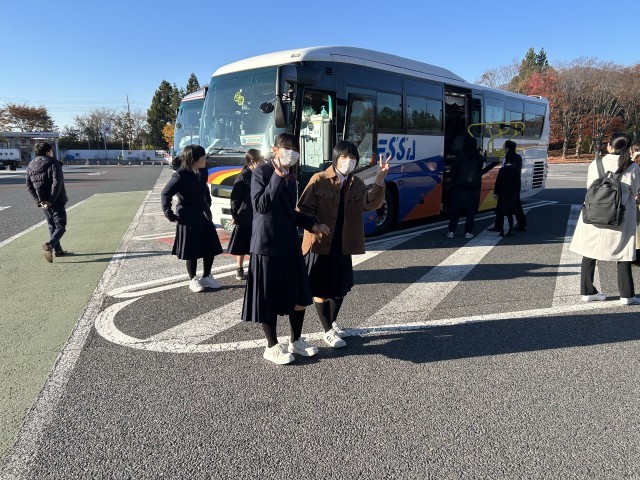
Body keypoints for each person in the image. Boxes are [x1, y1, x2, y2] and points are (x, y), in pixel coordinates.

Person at [241, 133, 330, 365]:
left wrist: (313, 224)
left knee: (299, 294)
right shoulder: (261, 172)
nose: (291, 152)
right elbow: (261, 205)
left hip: (289, 244)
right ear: (274, 150)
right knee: (268, 297)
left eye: (294, 148)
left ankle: (296, 340)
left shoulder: (291, 177)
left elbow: (290, 212)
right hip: (266, 246)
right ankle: (271, 346)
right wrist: (278, 176)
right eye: (286, 147)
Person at [297, 141, 389, 348]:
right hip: (320, 243)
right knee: (321, 289)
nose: (349, 161)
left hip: (344, 243)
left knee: (340, 288)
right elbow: (302, 208)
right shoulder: (319, 179)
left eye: (353, 158)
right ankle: (327, 331)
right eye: (345, 157)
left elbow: (370, 203)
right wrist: (315, 225)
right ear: (335, 158)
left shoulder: (356, 182)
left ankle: (331, 323)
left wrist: (379, 179)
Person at [569, 133, 640, 305]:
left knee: (589, 252)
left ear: (609, 146)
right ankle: (627, 295)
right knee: (623, 254)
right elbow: (635, 191)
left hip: (594, 212)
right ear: (628, 149)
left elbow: (589, 186)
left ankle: (587, 292)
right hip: (620, 215)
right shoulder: (632, 167)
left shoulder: (596, 163)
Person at [161, 144, 223, 292]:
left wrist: (208, 202)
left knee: (210, 247)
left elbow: (204, 189)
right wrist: (169, 214)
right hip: (188, 217)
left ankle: (206, 276)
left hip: (204, 215)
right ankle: (193, 279)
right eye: (203, 157)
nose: (205, 159)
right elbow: (165, 194)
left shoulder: (203, 171)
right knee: (192, 250)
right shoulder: (180, 175)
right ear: (194, 159)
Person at [26, 142, 69, 263]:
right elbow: (57, 183)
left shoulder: (31, 165)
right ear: (48, 151)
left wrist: (40, 201)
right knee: (61, 226)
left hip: (43, 202)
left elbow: (29, 185)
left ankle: (58, 251)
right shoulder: (53, 163)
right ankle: (50, 245)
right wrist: (51, 200)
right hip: (56, 200)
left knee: (52, 225)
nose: (52, 152)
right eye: (51, 150)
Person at [228, 149, 263, 281]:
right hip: (244, 215)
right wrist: (234, 216)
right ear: (253, 162)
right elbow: (234, 200)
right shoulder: (243, 176)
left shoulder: (259, 173)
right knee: (241, 245)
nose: (263, 162)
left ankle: (254, 269)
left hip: (256, 215)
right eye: (261, 160)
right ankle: (239, 269)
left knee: (254, 244)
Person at [447, 136, 485, 239]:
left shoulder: (459, 156)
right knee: (471, 212)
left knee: (455, 211)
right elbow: (480, 170)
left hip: (459, 188)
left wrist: (453, 181)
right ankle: (468, 232)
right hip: (473, 189)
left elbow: (454, 171)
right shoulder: (479, 157)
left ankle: (451, 231)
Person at [488, 140, 526, 232]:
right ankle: (522, 224)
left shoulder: (507, 157)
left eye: (504, 146)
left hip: (505, 185)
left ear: (507, 148)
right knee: (517, 204)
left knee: (501, 205)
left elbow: (502, 171)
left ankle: (498, 226)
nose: (503, 148)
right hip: (515, 185)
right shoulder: (518, 157)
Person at [492, 154, 519, 237]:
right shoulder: (516, 170)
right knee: (510, 213)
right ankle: (510, 230)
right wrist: (516, 193)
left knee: (501, 213)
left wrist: (495, 192)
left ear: (506, 160)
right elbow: (518, 184)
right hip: (512, 194)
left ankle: (502, 231)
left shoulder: (502, 170)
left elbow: (498, 182)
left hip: (502, 194)